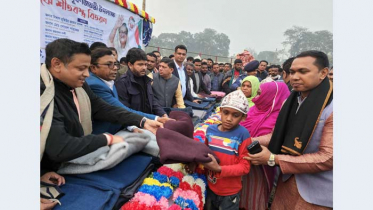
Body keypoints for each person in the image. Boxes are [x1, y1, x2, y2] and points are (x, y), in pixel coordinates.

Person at [40, 39, 162, 173]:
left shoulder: (79, 86)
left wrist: (141, 121)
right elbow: (60, 146)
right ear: (57, 64)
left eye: (87, 68)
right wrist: (106, 139)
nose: (87, 74)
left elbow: (103, 108)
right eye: (81, 68)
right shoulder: (43, 94)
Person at [246, 50, 333, 209]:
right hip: (286, 183)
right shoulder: (291, 101)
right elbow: (277, 135)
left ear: (323, 73)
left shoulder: (332, 107)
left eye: (303, 71)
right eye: (292, 72)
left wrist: (274, 159)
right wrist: (248, 141)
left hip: (318, 194)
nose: (295, 77)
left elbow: (329, 157)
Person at [187, 90, 252, 210]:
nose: (229, 119)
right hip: (211, 185)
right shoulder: (211, 130)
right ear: (220, 110)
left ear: (243, 117)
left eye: (235, 115)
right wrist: (194, 163)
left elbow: (245, 166)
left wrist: (219, 169)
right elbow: (204, 153)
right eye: (226, 113)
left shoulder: (243, 135)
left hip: (230, 192)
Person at [86, 47, 168, 135]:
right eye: (109, 64)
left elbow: (152, 100)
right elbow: (121, 110)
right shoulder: (97, 85)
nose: (115, 68)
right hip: (105, 135)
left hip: (129, 126)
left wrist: (162, 114)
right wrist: (154, 119)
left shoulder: (110, 82)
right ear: (93, 68)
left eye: (115, 64)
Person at [239, 81, 290, 210]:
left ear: (271, 96)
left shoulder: (280, 116)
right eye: (257, 93)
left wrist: (247, 141)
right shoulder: (253, 109)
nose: (256, 97)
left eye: (261, 94)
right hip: (242, 158)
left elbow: (273, 137)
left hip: (260, 163)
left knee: (254, 195)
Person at [115, 48, 168, 118]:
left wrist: (163, 114)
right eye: (140, 64)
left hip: (150, 121)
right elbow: (125, 111)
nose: (144, 68)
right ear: (130, 65)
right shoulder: (122, 83)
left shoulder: (147, 80)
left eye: (145, 64)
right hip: (135, 124)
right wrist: (152, 119)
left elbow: (152, 100)